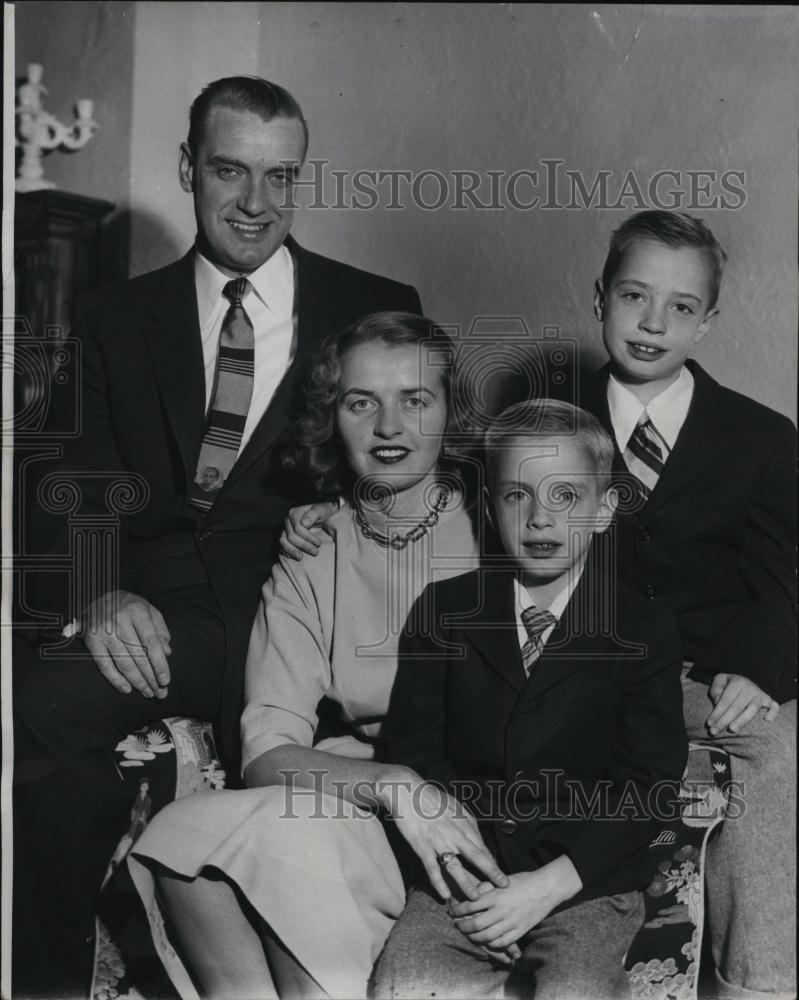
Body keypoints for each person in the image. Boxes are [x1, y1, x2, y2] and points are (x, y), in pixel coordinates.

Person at [12, 76, 421, 998]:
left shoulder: (373, 305)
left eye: (281, 177)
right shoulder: (113, 316)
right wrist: (98, 591)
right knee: (35, 705)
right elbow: (65, 476)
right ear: (188, 167)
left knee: (48, 705)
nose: (255, 203)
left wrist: (354, 510)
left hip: (287, 612)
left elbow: (417, 468)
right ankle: (45, 978)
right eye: (230, 170)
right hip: (153, 605)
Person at [127, 312, 508, 1000]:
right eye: (361, 402)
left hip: (475, 819)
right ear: (332, 417)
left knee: (284, 846)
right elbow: (266, 749)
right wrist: (390, 783)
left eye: (414, 400)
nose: (387, 426)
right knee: (180, 835)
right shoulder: (314, 548)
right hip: (358, 800)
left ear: (451, 415)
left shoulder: (502, 529)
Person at [372, 399, 687, 1000]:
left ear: (604, 510)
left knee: (575, 991)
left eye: (565, 496)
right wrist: (469, 874)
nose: (539, 518)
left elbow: (648, 785)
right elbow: (416, 753)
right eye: (517, 496)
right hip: (466, 879)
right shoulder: (444, 611)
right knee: (404, 984)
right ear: (490, 507)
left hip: (583, 884)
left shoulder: (643, 627)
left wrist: (548, 884)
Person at [580, 210, 796, 1000]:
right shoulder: (547, 425)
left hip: (701, 678)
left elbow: (783, 576)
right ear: (598, 297)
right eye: (633, 295)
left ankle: (761, 983)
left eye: (679, 307)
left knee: (781, 751)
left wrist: (756, 666)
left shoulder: (760, 437)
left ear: (707, 322)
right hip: (589, 675)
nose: (651, 322)